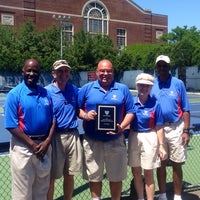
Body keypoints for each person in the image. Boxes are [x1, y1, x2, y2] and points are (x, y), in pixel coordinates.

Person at [78, 59, 134, 200]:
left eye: (108, 70)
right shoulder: (87, 88)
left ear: (113, 72)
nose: (105, 73)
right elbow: (76, 109)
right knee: (94, 176)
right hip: (92, 141)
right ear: (97, 72)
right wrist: (85, 115)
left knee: (116, 177)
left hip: (115, 141)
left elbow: (131, 111)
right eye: (102, 70)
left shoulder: (122, 89)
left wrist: (121, 127)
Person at [4, 58, 56, 200]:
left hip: (44, 148)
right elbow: (11, 125)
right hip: (23, 148)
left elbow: (53, 120)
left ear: (39, 74)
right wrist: (33, 145)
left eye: (35, 71)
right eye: (29, 70)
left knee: (41, 192)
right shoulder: (14, 95)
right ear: (23, 72)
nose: (32, 73)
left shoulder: (46, 93)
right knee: (23, 194)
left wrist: (47, 142)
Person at [151, 55, 191, 200]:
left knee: (177, 163)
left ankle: (177, 196)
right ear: (156, 67)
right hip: (158, 129)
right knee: (160, 163)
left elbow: (186, 109)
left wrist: (186, 131)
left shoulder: (178, 83)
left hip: (176, 128)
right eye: (159, 66)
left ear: (169, 67)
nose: (162, 68)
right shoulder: (152, 84)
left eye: (165, 66)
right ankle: (162, 195)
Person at [46, 60, 82, 200]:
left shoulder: (74, 90)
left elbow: (78, 110)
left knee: (70, 174)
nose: (63, 74)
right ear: (53, 73)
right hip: (55, 137)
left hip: (73, 135)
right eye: (60, 71)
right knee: (51, 176)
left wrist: (86, 115)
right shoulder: (47, 92)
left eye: (66, 71)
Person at [128, 73, 167, 200]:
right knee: (136, 172)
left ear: (150, 87)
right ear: (137, 86)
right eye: (141, 85)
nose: (144, 88)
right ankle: (140, 198)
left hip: (150, 137)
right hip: (133, 137)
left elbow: (159, 127)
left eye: (147, 86)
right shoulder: (130, 103)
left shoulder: (155, 104)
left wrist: (161, 146)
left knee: (149, 173)